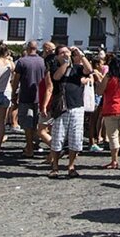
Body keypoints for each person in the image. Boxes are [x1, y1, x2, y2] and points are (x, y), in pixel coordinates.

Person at [48, 45, 93, 179]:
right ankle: (55, 166)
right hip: (61, 108)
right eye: (62, 53)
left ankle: (71, 166)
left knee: (75, 138)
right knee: (57, 138)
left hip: (76, 107)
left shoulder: (78, 69)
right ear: (57, 56)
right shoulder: (55, 67)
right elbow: (56, 77)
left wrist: (81, 55)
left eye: (67, 52)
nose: (65, 54)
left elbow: (89, 70)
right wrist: (66, 63)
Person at [11, 41, 46, 157]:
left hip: (25, 95)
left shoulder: (22, 61)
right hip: (40, 96)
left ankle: (29, 147)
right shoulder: (42, 61)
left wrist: (13, 93)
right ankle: (34, 144)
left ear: (27, 48)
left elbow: (16, 79)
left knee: (27, 124)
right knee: (36, 123)